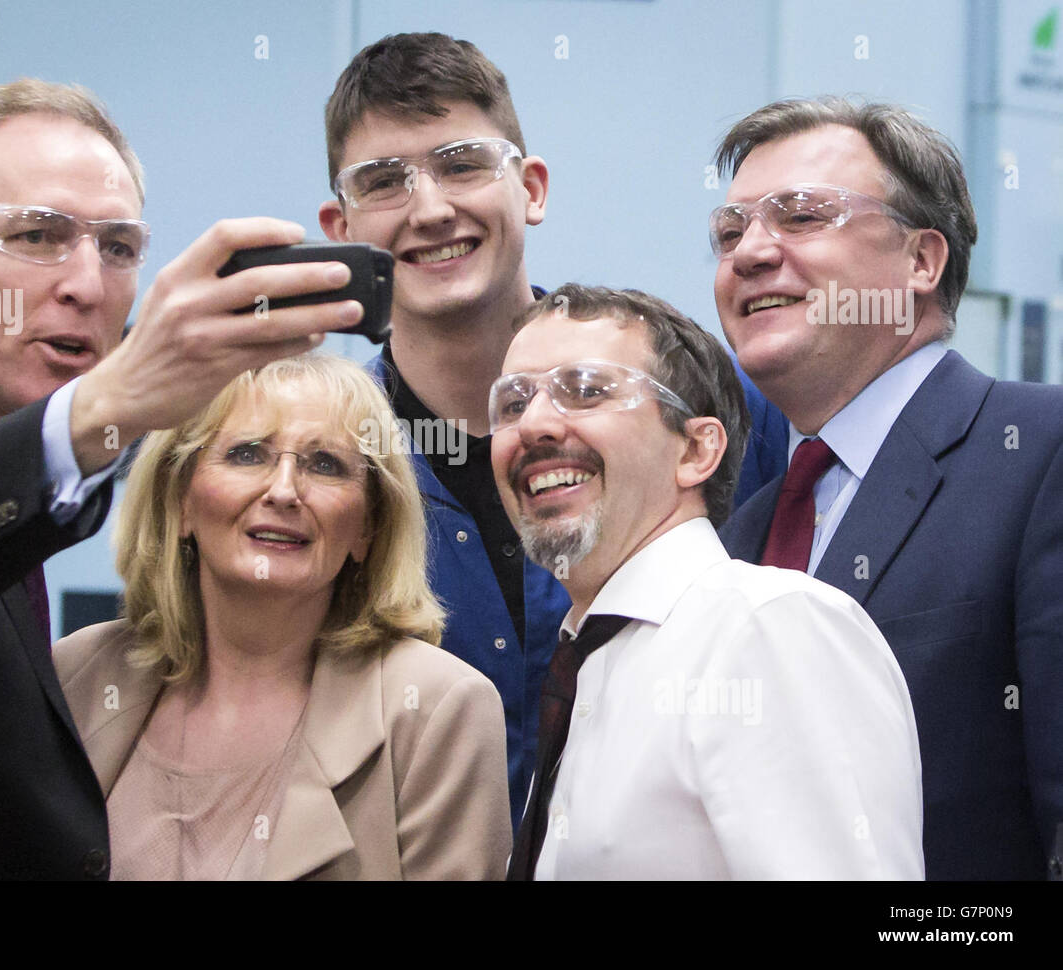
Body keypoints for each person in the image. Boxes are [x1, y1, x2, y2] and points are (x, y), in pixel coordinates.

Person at [0, 79, 362, 878]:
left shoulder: (42, 485)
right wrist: (110, 402)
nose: (86, 284)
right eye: (39, 236)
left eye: (117, 247)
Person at [318, 32, 788, 828]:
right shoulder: (323, 463)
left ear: (531, 187)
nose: (430, 208)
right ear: (340, 227)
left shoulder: (711, 408)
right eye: (384, 181)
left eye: (463, 163)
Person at [712, 97, 1063, 880]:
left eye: (800, 216)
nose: (749, 253)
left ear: (921, 262)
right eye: (729, 232)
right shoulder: (740, 535)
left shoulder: (1042, 454)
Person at [493, 285, 923, 880]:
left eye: (586, 391)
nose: (532, 423)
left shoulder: (767, 628)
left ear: (697, 450)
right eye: (512, 404)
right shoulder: (586, 661)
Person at [53, 354, 511, 880]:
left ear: (367, 528)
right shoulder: (77, 676)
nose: (284, 491)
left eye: (325, 465)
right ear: (180, 499)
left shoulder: (435, 711)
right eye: (248, 455)